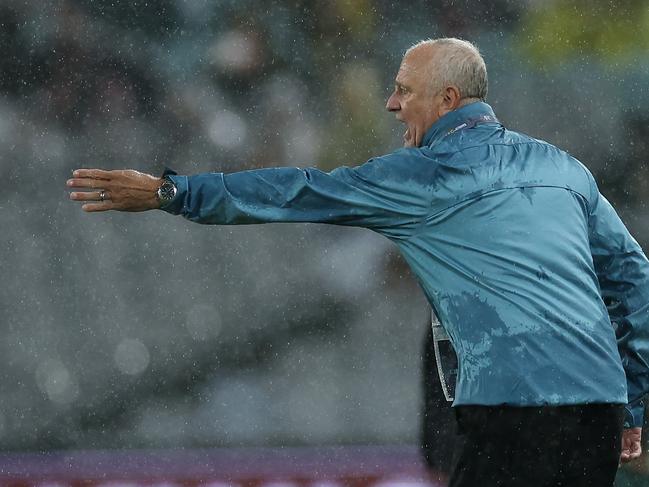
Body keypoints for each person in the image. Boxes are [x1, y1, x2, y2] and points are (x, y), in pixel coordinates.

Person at [67, 38, 649, 486]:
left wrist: (176, 193)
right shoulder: (563, 168)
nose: (392, 103)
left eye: (404, 90)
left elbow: (297, 192)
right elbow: (634, 281)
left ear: (447, 99)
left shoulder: (426, 175)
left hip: (513, 408)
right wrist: (634, 402)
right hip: (596, 410)